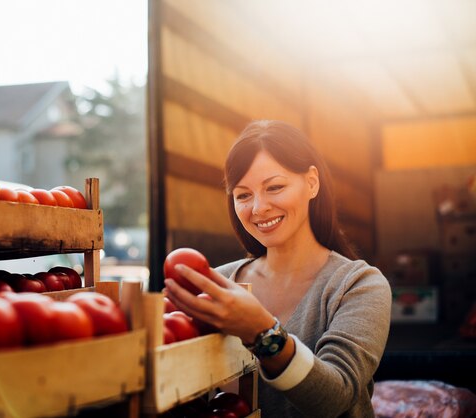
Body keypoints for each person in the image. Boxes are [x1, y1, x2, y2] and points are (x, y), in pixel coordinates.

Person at [163, 120, 392, 417]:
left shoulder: (359, 285)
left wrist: (261, 332)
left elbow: (336, 398)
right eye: (243, 195)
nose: (259, 208)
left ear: (312, 183)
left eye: (274, 187)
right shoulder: (216, 283)